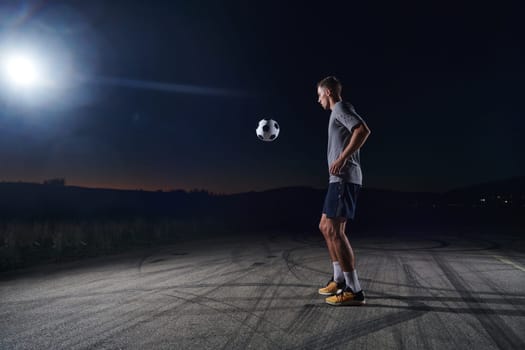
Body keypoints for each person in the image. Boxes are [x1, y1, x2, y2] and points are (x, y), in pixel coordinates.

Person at [316, 76, 371, 306]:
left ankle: (354, 290)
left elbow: (363, 130)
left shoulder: (341, 107)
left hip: (344, 178)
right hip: (336, 179)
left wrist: (342, 158)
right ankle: (339, 280)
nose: (317, 99)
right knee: (325, 227)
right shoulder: (336, 112)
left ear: (328, 92)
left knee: (337, 232)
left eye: (319, 94)